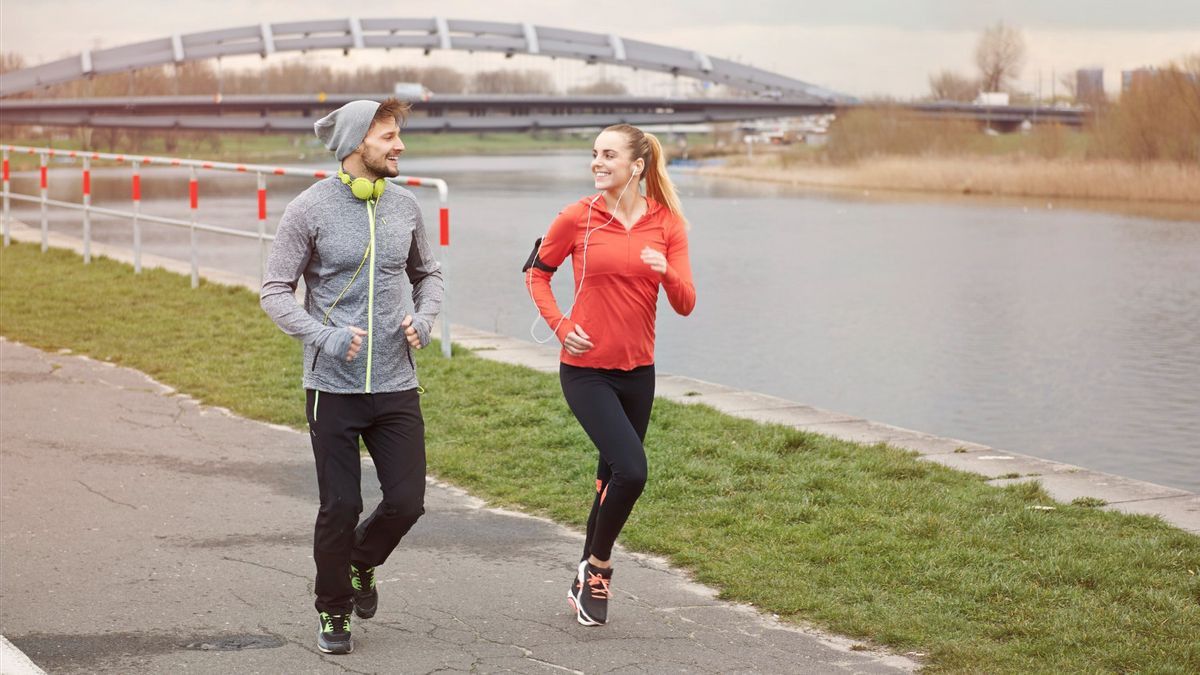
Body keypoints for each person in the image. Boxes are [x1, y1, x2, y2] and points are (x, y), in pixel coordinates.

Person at [260, 98, 443, 654]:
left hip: (395, 384)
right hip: (332, 388)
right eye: (388, 137)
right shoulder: (309, 209)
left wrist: (425, 318)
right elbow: (274, 291)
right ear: (356, 142)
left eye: (398, 136)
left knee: (407, 502)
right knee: (341, 506)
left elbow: (428, 274)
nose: (400, 146)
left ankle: (360, 564)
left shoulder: (406, 206)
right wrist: (324, 335)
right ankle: (333, 610)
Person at [524, 123, 696, 626]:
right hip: (585, 371)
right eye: (594, 154)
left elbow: (686, 304)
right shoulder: (578, 217)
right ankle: (598, 568)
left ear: (636, 166)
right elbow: (537, 272)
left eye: (609, 155)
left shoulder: (668, 225)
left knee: (609, 477)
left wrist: (665, 270)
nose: (598, 162)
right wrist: (559, 324)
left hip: (638, 372)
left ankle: (582, 580)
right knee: (633, 470)